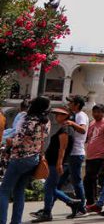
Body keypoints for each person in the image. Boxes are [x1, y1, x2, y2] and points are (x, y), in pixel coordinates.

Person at [0, 96, 50, 224]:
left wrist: (9, 142)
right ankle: (16, 221)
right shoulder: (46, 122)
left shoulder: (29, 120)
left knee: (4, 191)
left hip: (19, 158)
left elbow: (19, 139)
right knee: (19, 190)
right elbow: (42, 137)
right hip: (33, 159)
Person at [35, 107, 83, 221]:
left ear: (67, 116)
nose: (57, 116)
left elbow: (63, 148)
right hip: (53, 162)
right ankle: (71, 203)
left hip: (56, 163)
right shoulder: (63, 128)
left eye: (60, 114)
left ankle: (48, 212)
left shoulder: (66, 129)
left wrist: (59, 163)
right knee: (50, 187)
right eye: (56, 114)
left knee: (49, 187)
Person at [83, 104, 104, 208]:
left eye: (99, 112)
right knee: (91, 179)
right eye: (94, 112)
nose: (96, 114)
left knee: (88, 179)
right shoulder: (92, 123)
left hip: (100, 155)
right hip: (90, 155)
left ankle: (91, 201)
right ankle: (93, 201)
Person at [63, 96, 89, 215]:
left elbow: (83, 130)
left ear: (77, 104)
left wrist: (72, 123)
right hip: (71, 153)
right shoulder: (75, 115)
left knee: (76, 181)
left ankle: (81, 207)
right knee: (60, 182)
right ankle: (47, 208)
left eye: (71, 102)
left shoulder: (80, 115)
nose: (69, 104)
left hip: (76, 152)